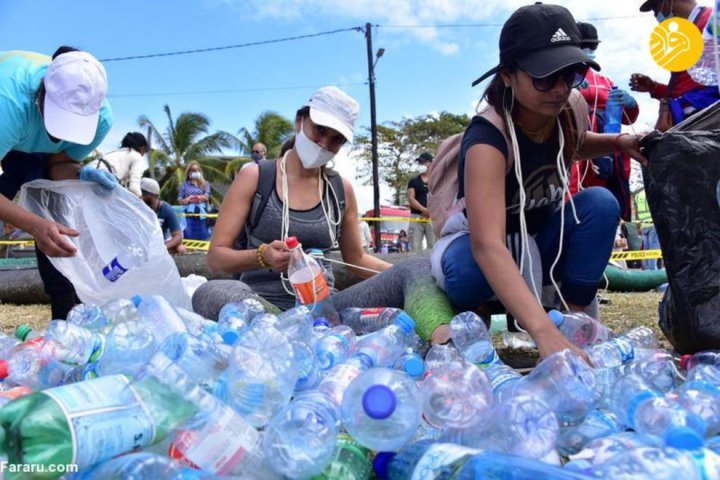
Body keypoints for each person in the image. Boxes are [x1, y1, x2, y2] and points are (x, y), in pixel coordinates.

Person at [431, 4, 647, 360]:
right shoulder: (488, 137)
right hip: (482, 249)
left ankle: (574, 319)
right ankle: (482, 314)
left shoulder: (566, 111)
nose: (560, 88)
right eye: (545, 76)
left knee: (601, 204)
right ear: (507, 75)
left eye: (571, 74)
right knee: (468, 270)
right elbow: (487, 245)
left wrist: (617, 142)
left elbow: (575, 144)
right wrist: (542, 333)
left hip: (541, 244)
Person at [199, 86, 391, 310]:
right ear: (299, 121)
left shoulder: (341, 189)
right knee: (210, 291)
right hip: (259, 304)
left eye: (336, 139)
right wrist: (263, 256)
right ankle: (279, 325)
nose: (324, 144)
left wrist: (398, 273)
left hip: (326, 306)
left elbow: (356, 259)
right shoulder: (256, 177)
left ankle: (440, 336)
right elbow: (215, 259)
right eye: (319, 130)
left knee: (415, 272)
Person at [0, 48, 116, 319]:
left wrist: (81, 175)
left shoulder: (102, 120)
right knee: (39, 215)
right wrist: (32, 223)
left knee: (57, 220)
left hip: (28, 139)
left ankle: (65, 317)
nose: (58, 134)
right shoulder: (9, 103)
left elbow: (57, 166)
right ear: (42, 93)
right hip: (13, 127)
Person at [571, 22, 640, 221]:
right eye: (585, 46)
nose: (590, 51)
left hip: (607, 151)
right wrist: (569, 88)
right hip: (576, 148)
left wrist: (631, 103)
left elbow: (628, 117)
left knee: (606, 196)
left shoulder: (605, 81)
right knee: (575, 196)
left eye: (593, 47)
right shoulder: (561, 77)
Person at [631, 0, 717, 130]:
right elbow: (687, 88)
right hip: (689, 125)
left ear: (667, 2)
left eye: (655, 10)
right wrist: (654, 87)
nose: (657, 17)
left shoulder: (712, 23)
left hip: (708, 124)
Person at [141, 177, 186, 255]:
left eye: (143, 193)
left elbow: (178, 236)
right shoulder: (137, 207)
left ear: (153, 195)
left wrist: (163, 247)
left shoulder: (166, 209)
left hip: (159, 243)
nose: (141, 196)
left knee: (180, 248)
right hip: (141, 243)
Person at [96, 132, 149, 197]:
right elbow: (134, 188)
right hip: (101, 179)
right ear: (142, 148)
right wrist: (142, 204)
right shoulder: (137, 156)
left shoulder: (115, 152)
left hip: (88, 172)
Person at [407, 152, 436, 251]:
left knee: (435, 247)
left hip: (433, 217)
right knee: (415, 248)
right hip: (416, 217)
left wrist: (432, 211)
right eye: (419, 162)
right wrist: (423, 210)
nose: (421, 164)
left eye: (423, 162)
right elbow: (411, 199)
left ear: (431, 163)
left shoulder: (437, 180)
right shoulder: (413, 181)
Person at [178, 161, 211, 240]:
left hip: (202, 212)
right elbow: (180, 200)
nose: (195, 171)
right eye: (193, 170)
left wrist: (197, 198)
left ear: (200, 171)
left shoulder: (205, 184)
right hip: (188, 212)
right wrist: (188, 199)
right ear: (189, 172)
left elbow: (206, 197)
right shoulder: (184, 185)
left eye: (197, 170)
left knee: (203, 233)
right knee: (188, 233)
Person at [634, 187, 660, 270]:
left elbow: (636, 213)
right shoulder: (652, 193)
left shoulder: (637, 196)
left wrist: (638, 227)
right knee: (653, 250)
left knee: (646, 249)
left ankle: (646, 270)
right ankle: (653, 272)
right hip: (653, 225)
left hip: (644, 226)